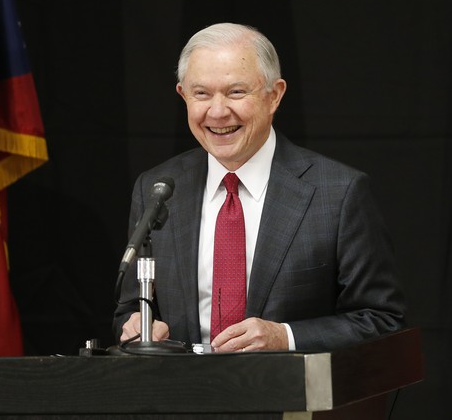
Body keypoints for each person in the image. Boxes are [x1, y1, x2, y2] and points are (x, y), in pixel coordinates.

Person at [113, 22, 406, 353]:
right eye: (201, 94)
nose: (218, 111)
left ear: (275, 95)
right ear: (183, 95)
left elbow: (381, 319)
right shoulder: (158, 189)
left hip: (291, 398)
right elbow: (130, 308)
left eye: (236, 92)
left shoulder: (339, 192)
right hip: (182, 397)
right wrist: (140, 326)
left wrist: (285, 337)